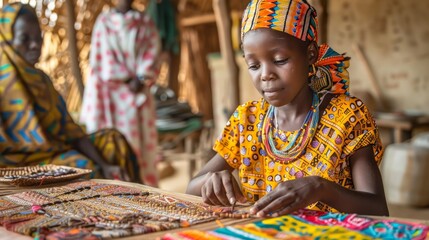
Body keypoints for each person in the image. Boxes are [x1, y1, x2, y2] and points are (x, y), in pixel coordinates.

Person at [187, 0, 389, 217]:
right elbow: (191, 188)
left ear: (310, 54)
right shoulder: (247, 120)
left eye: (280, 60)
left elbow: (378, 210)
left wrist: (322, 188)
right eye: (254, 65)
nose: (265, 74)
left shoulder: (347, 117)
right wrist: (211, 181)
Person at [0, 3, 140, 183]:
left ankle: (139, 203)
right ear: (7, 40)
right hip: (15, 164)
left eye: (38, 37)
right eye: (24, 38)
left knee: (114, 141)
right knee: (80, 164)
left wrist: (105, 164)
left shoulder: (42, 82)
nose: (34, 45)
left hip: (55, 151)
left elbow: (71, 131)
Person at [80, 0, 160, 186]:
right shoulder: (103, 22)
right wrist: (123, 77)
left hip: (137, 92)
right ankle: (112, 188)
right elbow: (99, 58)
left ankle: (142, 188)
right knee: (110, 141)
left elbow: (152, 51)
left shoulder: (145, 22)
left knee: (139, 146)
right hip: (107, 94)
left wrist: (140, 78)